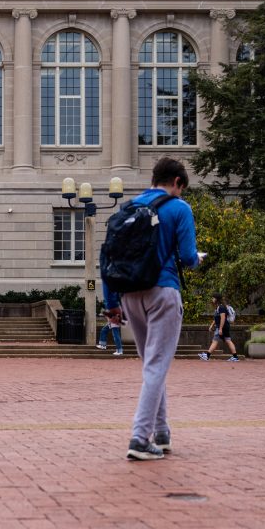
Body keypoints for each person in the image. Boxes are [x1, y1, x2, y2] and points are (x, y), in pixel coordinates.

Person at [102, 157, 204, 461]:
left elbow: (108, 258)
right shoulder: (179, 208)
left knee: (151, 365)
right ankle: (139, 437)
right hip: (163, 290)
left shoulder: (128, 208)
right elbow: (186, 257)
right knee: (157, 366)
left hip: (130, 294)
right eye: (182, 189)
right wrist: (199, 258)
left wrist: (111, 305)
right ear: (177, 183)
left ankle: (161, 431)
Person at [199, 294, 239, 362]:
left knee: (215, 341)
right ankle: (235, 357)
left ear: (217, 299)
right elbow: (217, 318)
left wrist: (220, 328)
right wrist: (212, 325)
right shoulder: (219, 307)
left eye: (213, 298)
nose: (212, 299)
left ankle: (207, 356)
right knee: (228, 340)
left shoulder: (221, 307)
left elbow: (223, 318)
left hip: (222, 327)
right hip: (223, 327)